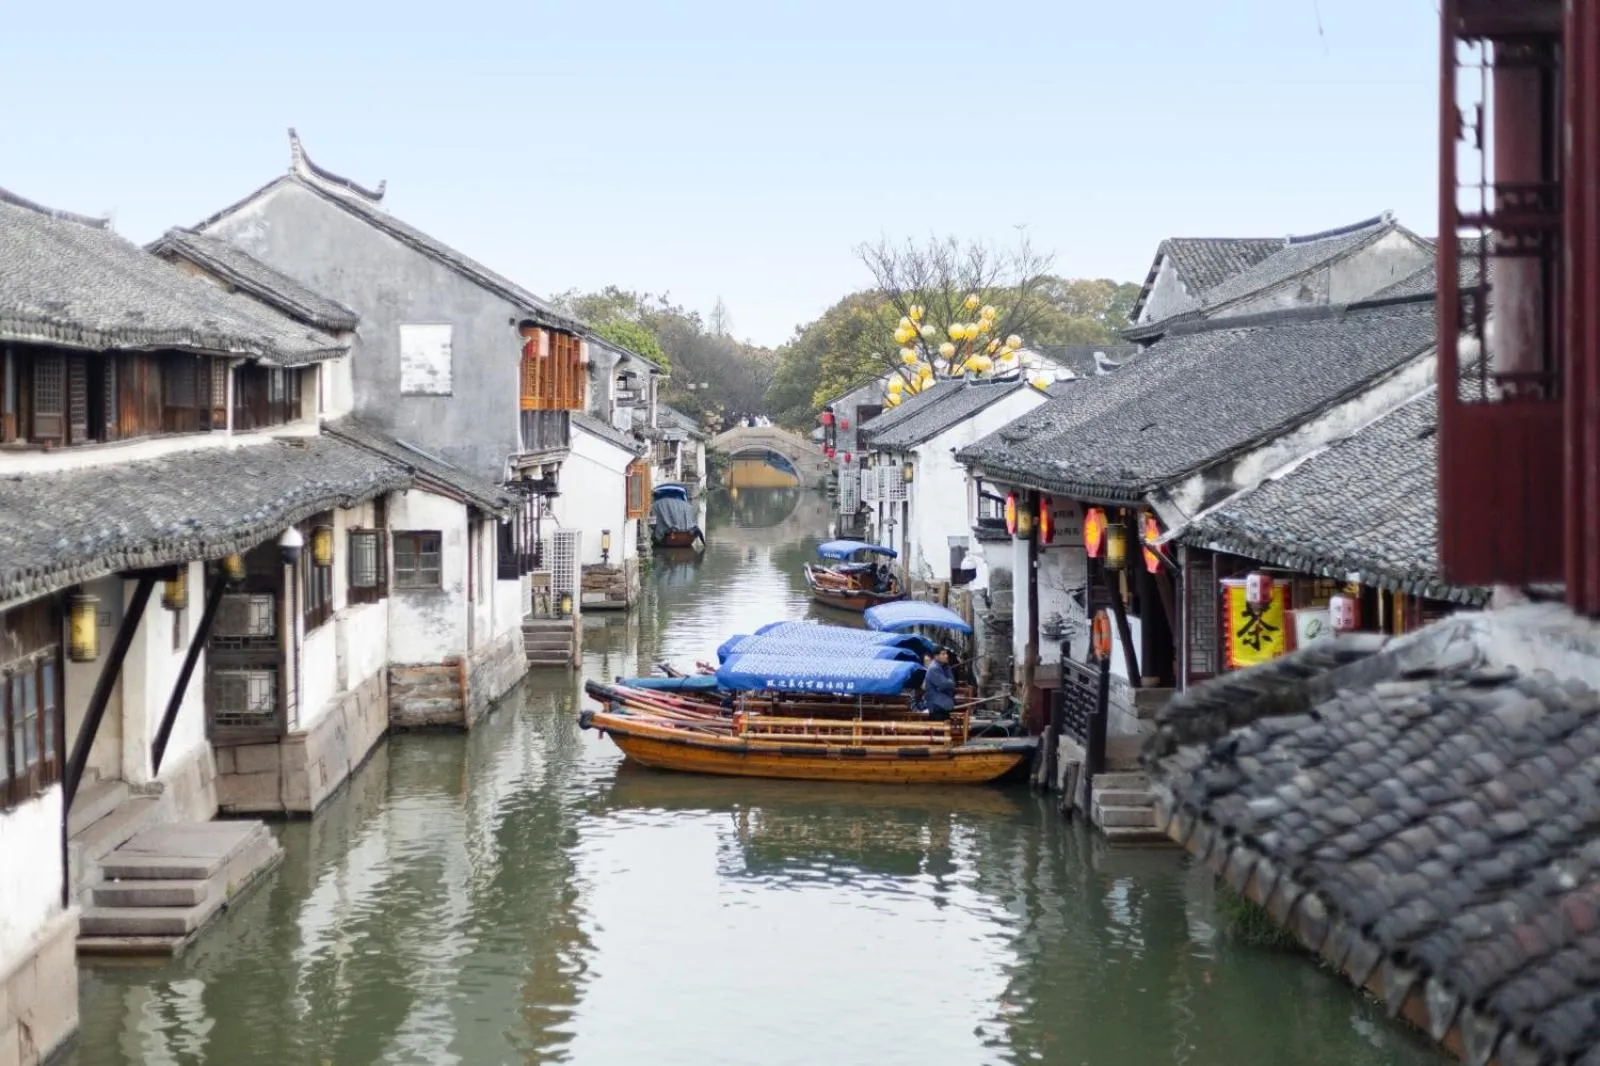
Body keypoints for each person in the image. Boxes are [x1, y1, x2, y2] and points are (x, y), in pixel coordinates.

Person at [922, 647, 957, 722]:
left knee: (944, 728)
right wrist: (949, 682)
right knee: (938, 731)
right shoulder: (934, 668)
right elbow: (944, 685)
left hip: (943, 705)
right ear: (936, 656)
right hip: (937, 706)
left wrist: (950, 682)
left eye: (946, 654)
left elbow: (953, 683)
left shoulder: (944, 666)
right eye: (943, 654)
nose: (946, 656)